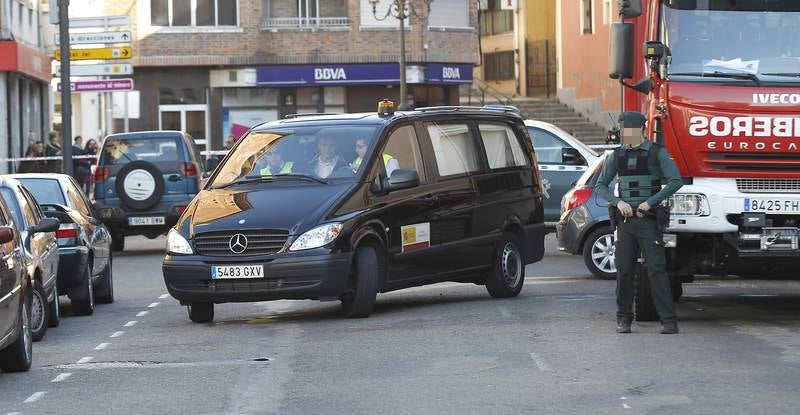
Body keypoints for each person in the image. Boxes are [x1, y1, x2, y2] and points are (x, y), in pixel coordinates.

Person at [594, 112, 683, 335]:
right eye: (623, 131)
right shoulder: (616, 156)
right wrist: (617, 202)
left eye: (629, 130)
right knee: (624, 271)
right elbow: (600, 186)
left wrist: (650, 203)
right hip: (625, 223)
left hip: (648, 222)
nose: (625, 135)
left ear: (641, 129)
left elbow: (675, 181)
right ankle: (623, 319)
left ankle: (668, 321)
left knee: (656, 271)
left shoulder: (656, 153)